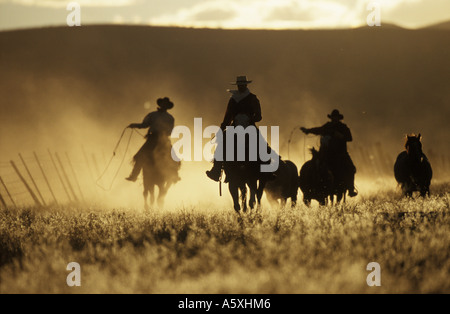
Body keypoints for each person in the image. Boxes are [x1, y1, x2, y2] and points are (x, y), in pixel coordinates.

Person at [206, 76, 262, 181]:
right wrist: (223, 127)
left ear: (246, 85)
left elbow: (259, 116)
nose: (241, 86)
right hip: (235, 127)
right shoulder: (233, 99)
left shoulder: (253, 99)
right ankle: (216, 170)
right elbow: (228, 116)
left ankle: (266, 172)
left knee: (262, 145)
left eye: (242, 85)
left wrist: (249, 119)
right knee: (221, 145)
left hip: (249, 126)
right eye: (239, 85)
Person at [300, 109, 358, 197]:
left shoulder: (343, 127)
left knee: (351, 168)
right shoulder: (327, 126)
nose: (335, 119)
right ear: (332, 118)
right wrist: (308, 131)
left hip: (341, 154)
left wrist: (341, 136)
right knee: (315, 164)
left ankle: (350, 189)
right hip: (327, 154)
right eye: (333, 117)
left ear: (339, 118)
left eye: (336, 117)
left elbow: (349, 138)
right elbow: (318, 130)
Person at [126, 97, 175, 182]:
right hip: (156, 138)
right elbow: (144, 125)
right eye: (163, 103)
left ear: (167, 106)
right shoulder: (154, 115)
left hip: (159, 139)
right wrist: (134, 125)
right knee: (140, 156)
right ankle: (134, 175)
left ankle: (174, 176)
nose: (164, 105)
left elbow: (170, 131)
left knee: (174, 158)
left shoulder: (168, 117)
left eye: (165, 104)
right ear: (161, 104)